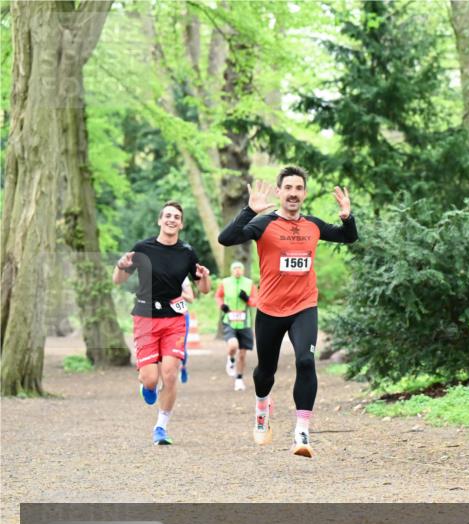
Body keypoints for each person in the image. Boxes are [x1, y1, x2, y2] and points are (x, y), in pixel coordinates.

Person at [218, 166, 357, 458]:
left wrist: (347, 217)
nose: (293, 193)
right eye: (288, 188)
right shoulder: (263, 224)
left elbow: (348, 237)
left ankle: (301, 432)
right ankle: (261, 409)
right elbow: (226, 239)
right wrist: (248, 211)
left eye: (298, 188)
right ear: (279, 192)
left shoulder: (313, 225)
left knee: (306, 361)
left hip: (304, 306)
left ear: (304, 194)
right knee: (265, 372)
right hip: (269, 308)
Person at [113, 201, 211, 445]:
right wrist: (120, 266)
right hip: (145, 317)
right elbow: (119, 280)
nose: (171, 219)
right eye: (167, 215)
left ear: (181, 223)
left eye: (176, 216)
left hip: (174, 318)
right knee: (151, 379)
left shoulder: (187, 252)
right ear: (159, 220)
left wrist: (205, 278)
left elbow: (203, 289)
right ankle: (146, 385)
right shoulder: (143, 248)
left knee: (170, 374)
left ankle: (161, 427)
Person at [215, 261, 258, 391]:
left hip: (245, 323)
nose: (237, 270)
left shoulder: (249, 283)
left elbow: (256, 302)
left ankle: (239, 379)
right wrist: (222, 305)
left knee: (243, 355)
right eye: (235, 268)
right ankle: (230, 358)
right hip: (230, 321)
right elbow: (218, 296)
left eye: (239, 268)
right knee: (233, 346)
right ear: (231, 270)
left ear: (243, 270)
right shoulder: (225, 282)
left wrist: (247, 299)